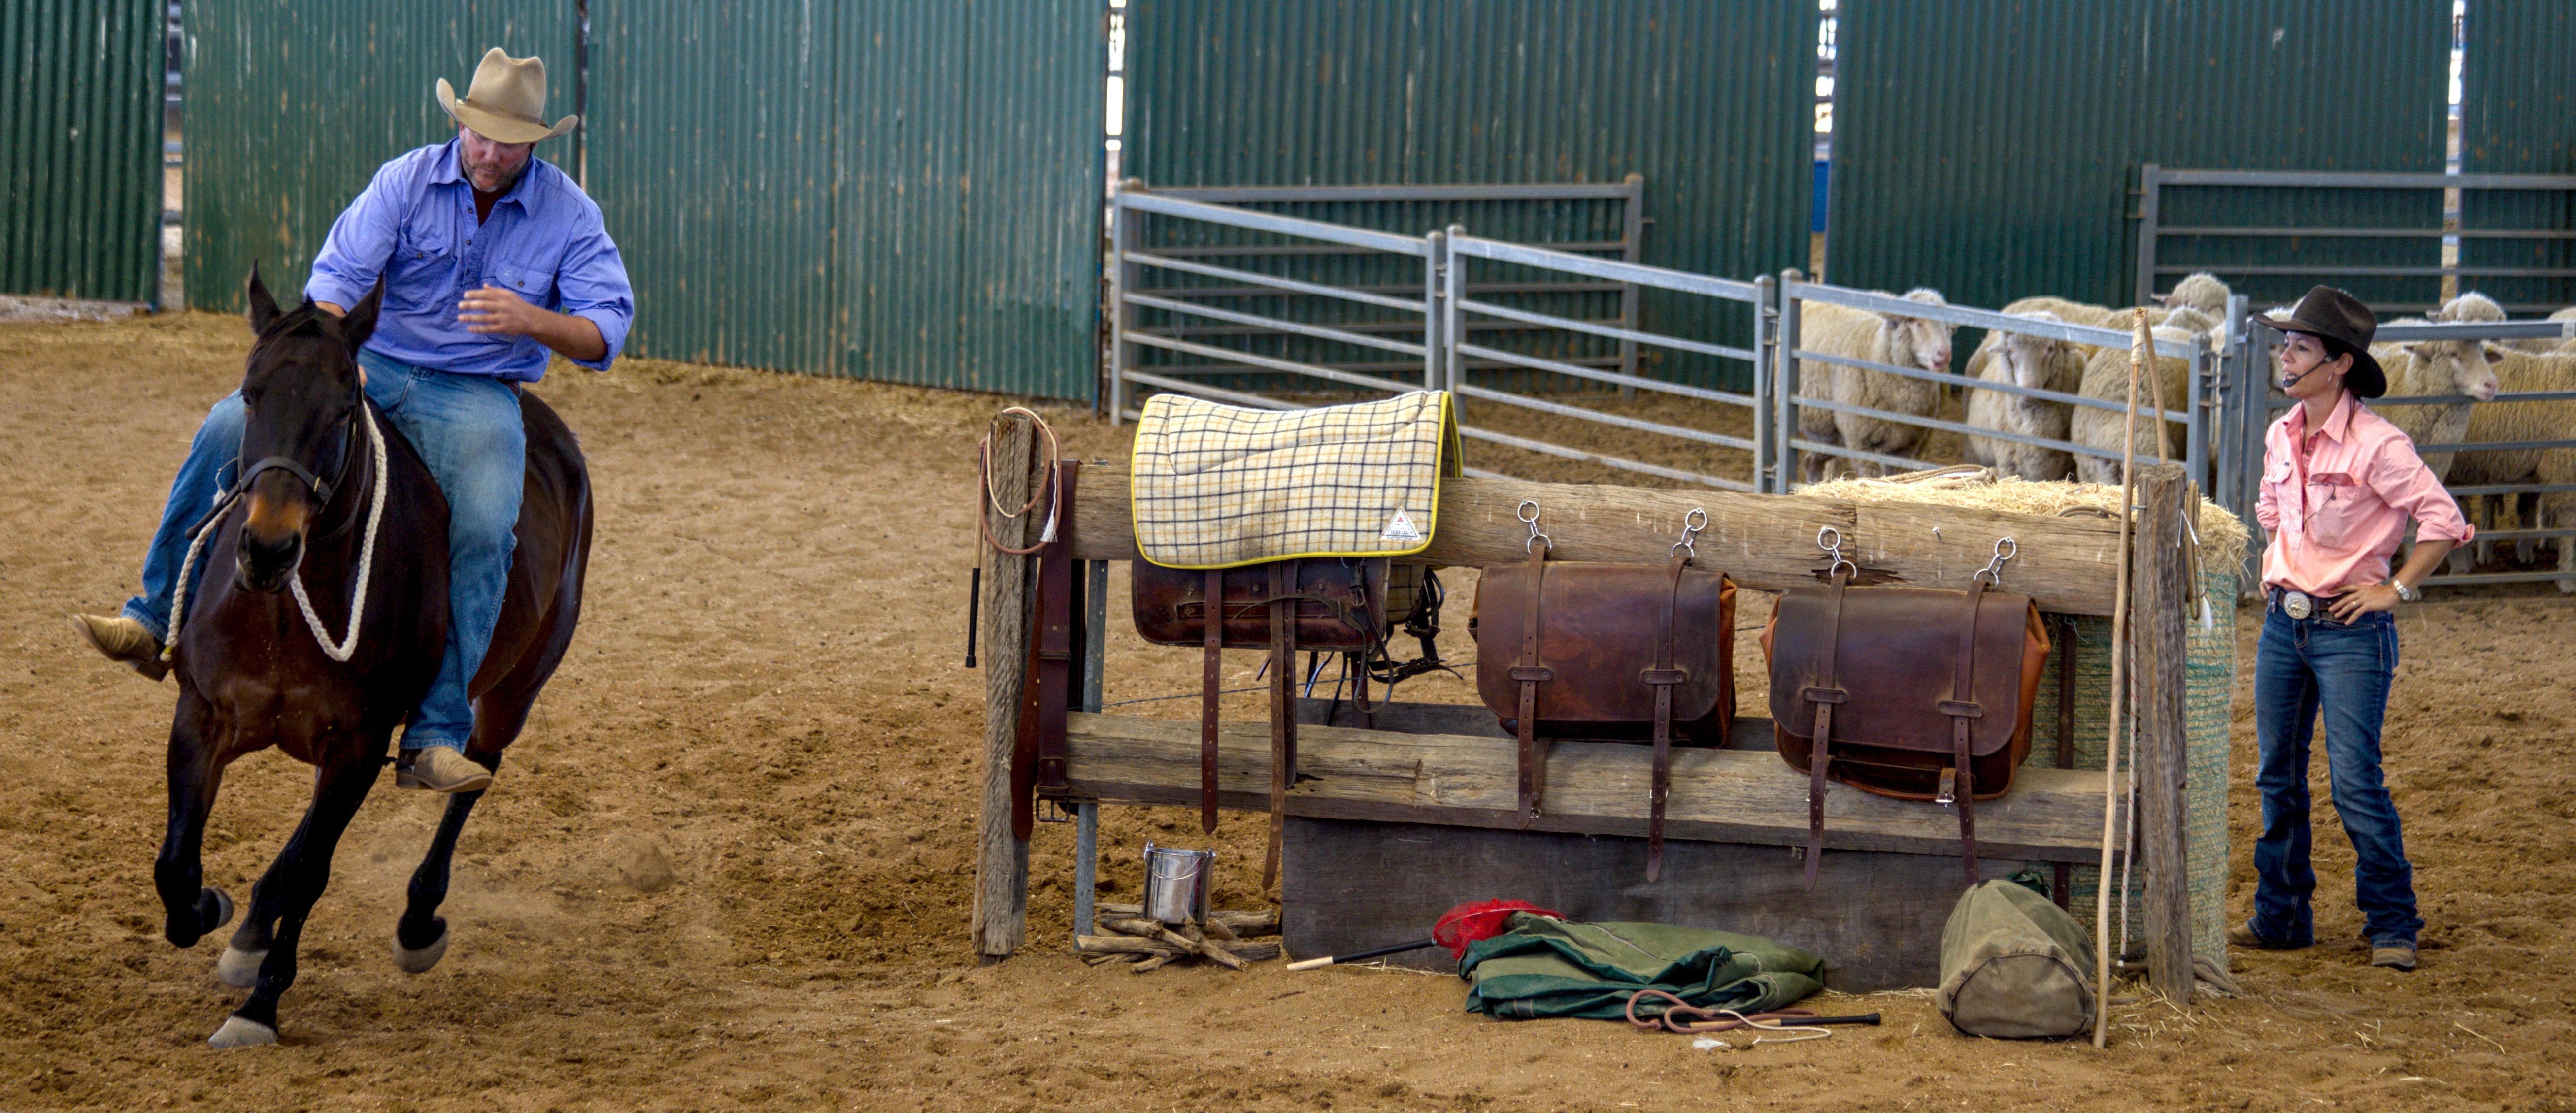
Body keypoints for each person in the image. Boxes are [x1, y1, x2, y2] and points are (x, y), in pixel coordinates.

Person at [71, 48, 633, 795]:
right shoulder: (405, 180)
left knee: (489, 525)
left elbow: (606, 330)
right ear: (459, 125)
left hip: (473, 391)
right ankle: (150, 616)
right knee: (222, 431)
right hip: (372, 368)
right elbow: (333, 282)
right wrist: (336, 358)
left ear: (535, 143)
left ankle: (434, 731)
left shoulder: (569, 213)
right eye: (479, 135)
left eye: (508, 141)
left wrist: (532, 319)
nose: (490, 153)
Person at [2234, 285, 2471, 973]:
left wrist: (2392, 589)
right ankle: (2281, 918)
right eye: (2286, 344)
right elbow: (2270, 508)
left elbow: (2444, 522)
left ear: (2337, 365)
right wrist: (2279, 563)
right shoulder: (2282, 434)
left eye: (2299, 347)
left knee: (2353, 781)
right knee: (2275, 775)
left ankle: (2392, 923)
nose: (2285, 355)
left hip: (2349, 630)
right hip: (2286, 622)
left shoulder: (2379, 444)